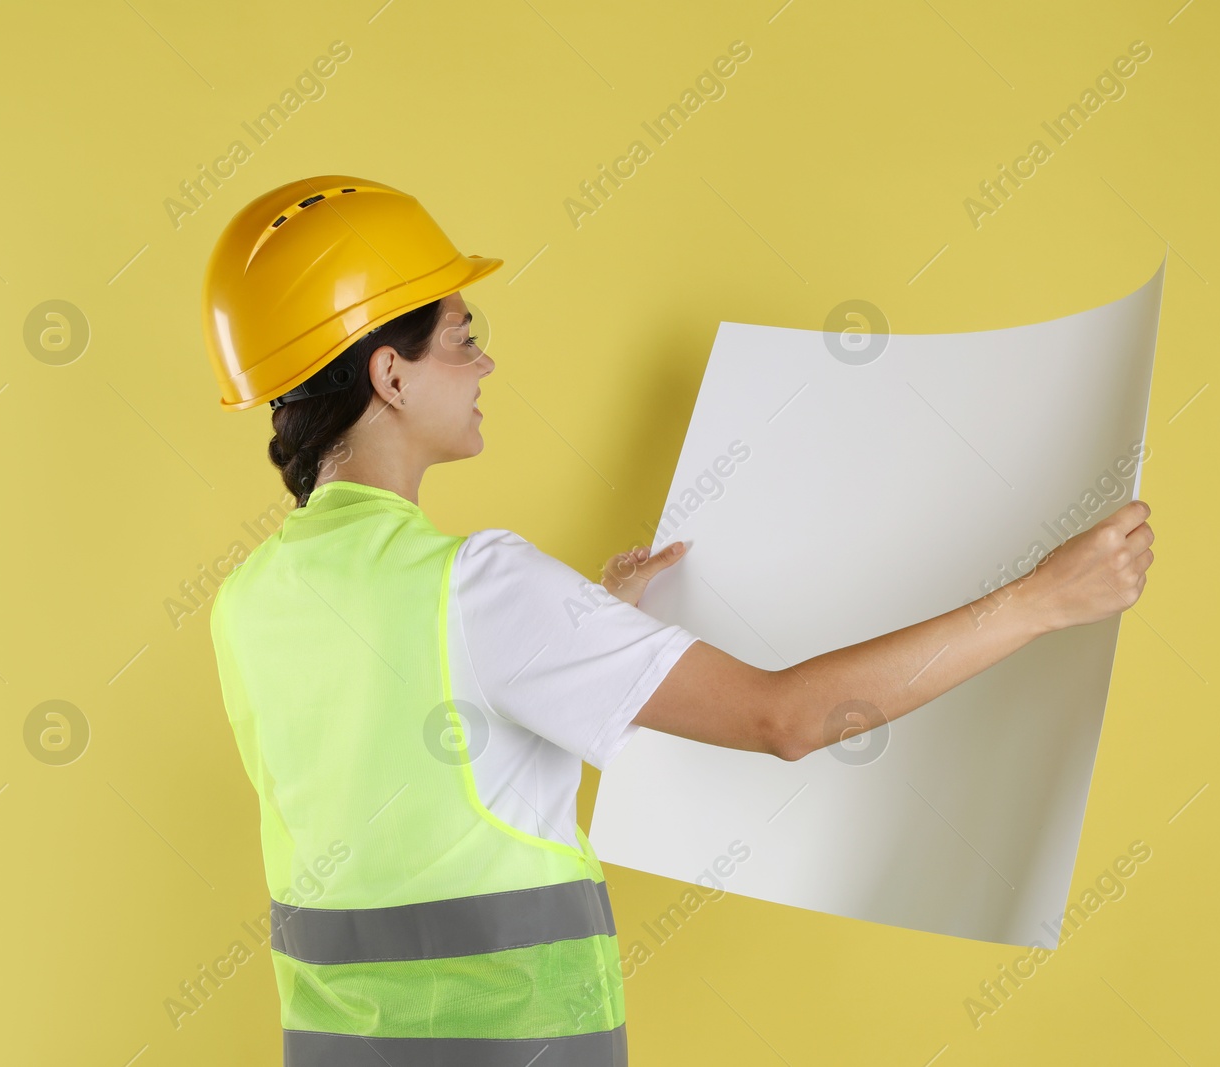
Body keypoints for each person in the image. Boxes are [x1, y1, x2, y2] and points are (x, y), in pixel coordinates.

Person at [201, 176, 1154, 1066]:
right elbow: (786, 719)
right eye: (460, 334)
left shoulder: (247, 598)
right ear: (391, 376)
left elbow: (420, 784)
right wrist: (1042, 598)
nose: (485, 357)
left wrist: (591, 626)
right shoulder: (481, 584)